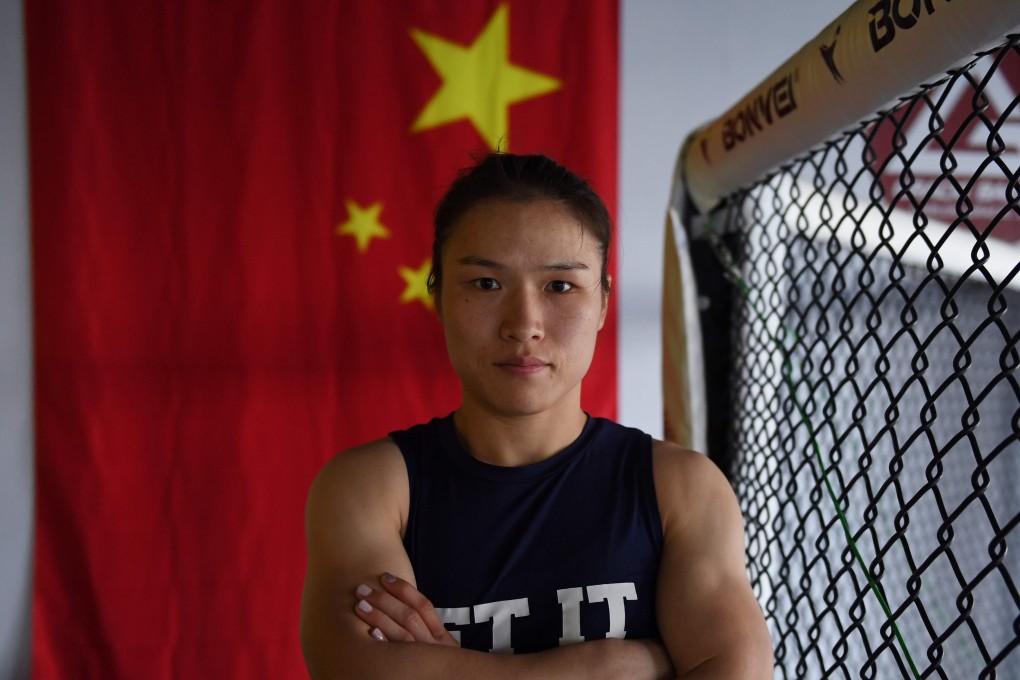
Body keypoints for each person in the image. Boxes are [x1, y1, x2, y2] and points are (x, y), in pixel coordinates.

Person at [300, 153, 773, 679]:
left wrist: (449, 669)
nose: (524, 325)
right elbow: (360, 670)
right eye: (485, 284)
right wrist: (610, 665)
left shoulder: (679, 488)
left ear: (602, 302)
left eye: (560, 286)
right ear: (437, 294)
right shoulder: (369, 487)